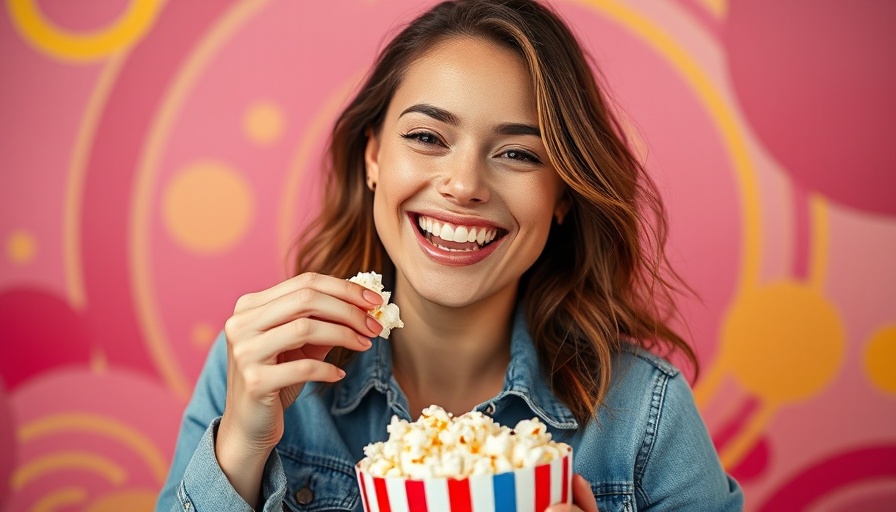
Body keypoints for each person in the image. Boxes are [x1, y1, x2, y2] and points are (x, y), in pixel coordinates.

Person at [157, 0, 743, 510]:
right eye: (427, 138)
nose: (463, 186)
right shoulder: (262, 368)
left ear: (563, 195)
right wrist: (241, 446)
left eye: (518, 154)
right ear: (373, 158)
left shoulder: (645, 415)